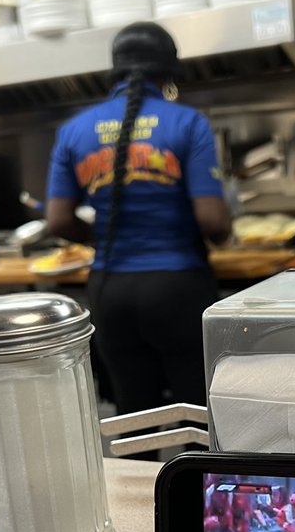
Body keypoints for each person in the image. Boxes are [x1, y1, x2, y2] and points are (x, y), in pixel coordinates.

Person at [46, 22, 232, 414]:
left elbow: (58, 221)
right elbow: (213, 223)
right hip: (178, 289)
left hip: (109, 291)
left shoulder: (73, 130)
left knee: (133, 417)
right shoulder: (187, 123)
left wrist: (108, 236)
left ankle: (135, 477)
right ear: (168, 73)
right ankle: (191, 478)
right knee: (197, 415)